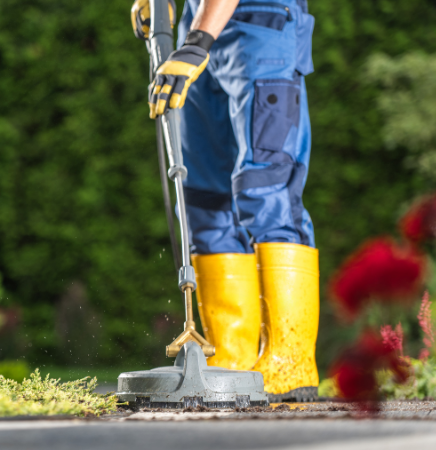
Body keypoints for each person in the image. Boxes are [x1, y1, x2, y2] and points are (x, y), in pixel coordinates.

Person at [131, 0, 318, 401]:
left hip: (260, 26)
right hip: (198, 28)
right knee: (203, 198)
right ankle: (231, 360)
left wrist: (199, 40)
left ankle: (290, 360)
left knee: (266, 187)